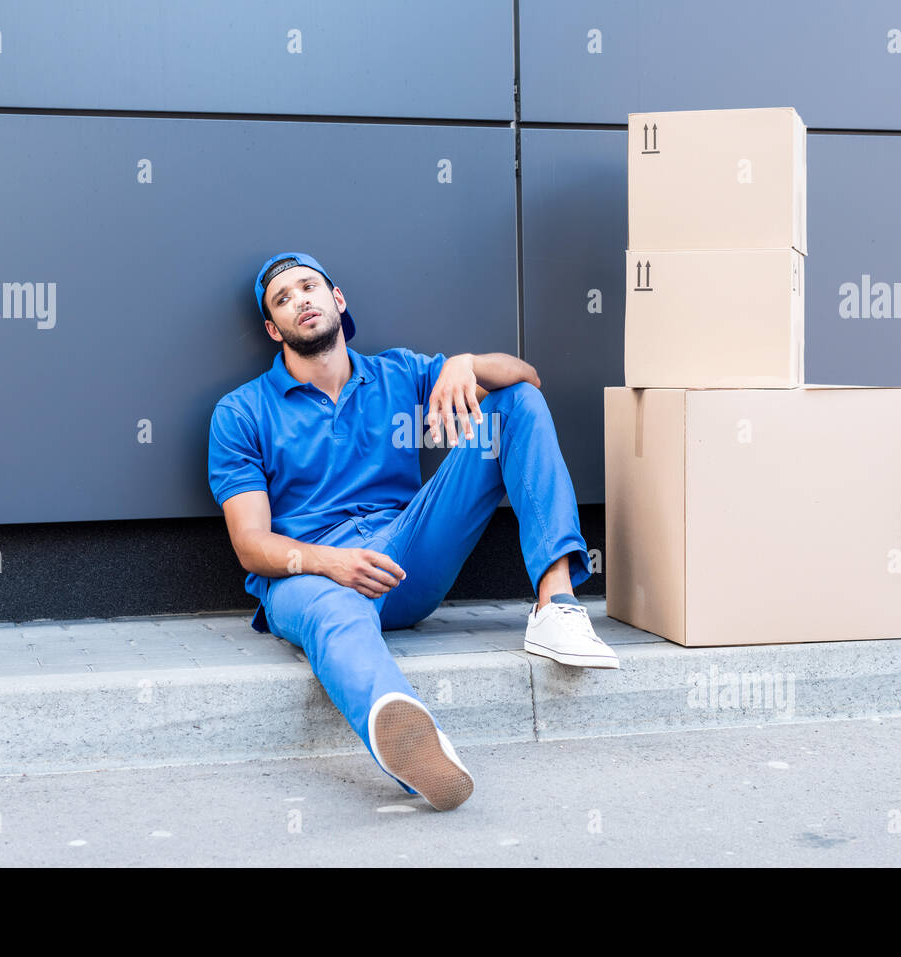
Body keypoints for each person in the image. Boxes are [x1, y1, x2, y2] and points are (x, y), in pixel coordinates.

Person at [208, 251, 619, 811]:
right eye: (283, 298)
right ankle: (414, 742)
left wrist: (463, 364)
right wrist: (327, 561)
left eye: (309, 287)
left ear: (337, 299)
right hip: (309, 575)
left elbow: (526, 377)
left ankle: (556, 606)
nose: (300, 300)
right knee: (337, 613)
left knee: (516, 405)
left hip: (402, 552)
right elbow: (251, 545)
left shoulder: (396, 373)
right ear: (272, 327)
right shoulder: (241, 412)